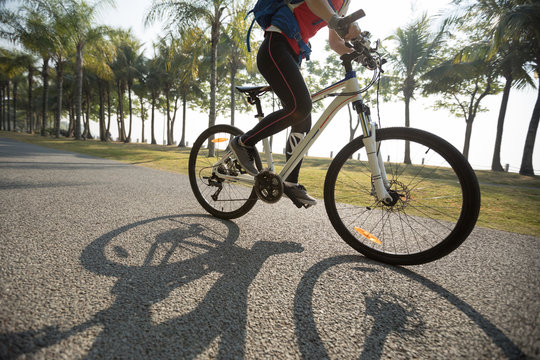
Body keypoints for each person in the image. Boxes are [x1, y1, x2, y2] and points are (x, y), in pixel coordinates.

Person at [230, 0, 362, 206]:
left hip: (292, 53)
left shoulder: (343, 3)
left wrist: (361, 54)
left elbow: (336, 43)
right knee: (300, 107)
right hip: (276, 46)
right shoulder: (335, 9)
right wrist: (336, 20)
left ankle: (290, 181)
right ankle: (243, 142)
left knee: (303, 116)